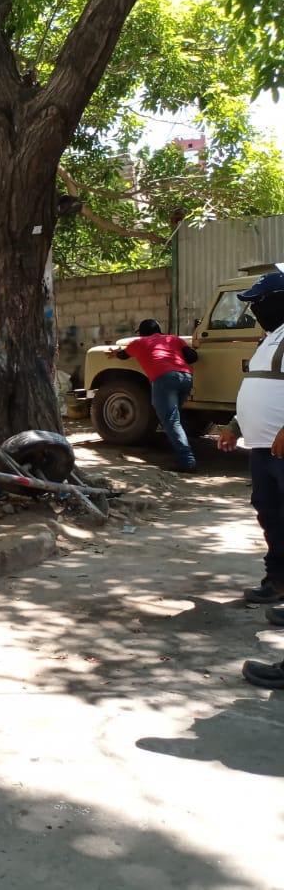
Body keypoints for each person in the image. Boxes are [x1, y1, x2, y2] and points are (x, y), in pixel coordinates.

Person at [220, 272, 284, 688]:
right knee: (271, 517)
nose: (254, 309)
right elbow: (257, 387)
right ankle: (278, 581)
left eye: (260, 301)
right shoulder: (273, 336)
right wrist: (233, 424)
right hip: (262, 448)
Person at [115, 319, 199, 472]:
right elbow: (193, 357)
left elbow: (122, 355)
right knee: (174, 418)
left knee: (171, 420)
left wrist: (114, 353)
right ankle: (178, 450)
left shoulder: (138, 343)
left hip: (164, 378)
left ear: (141, 333)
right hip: (186, 378)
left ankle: (188, 461)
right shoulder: (173, 339)